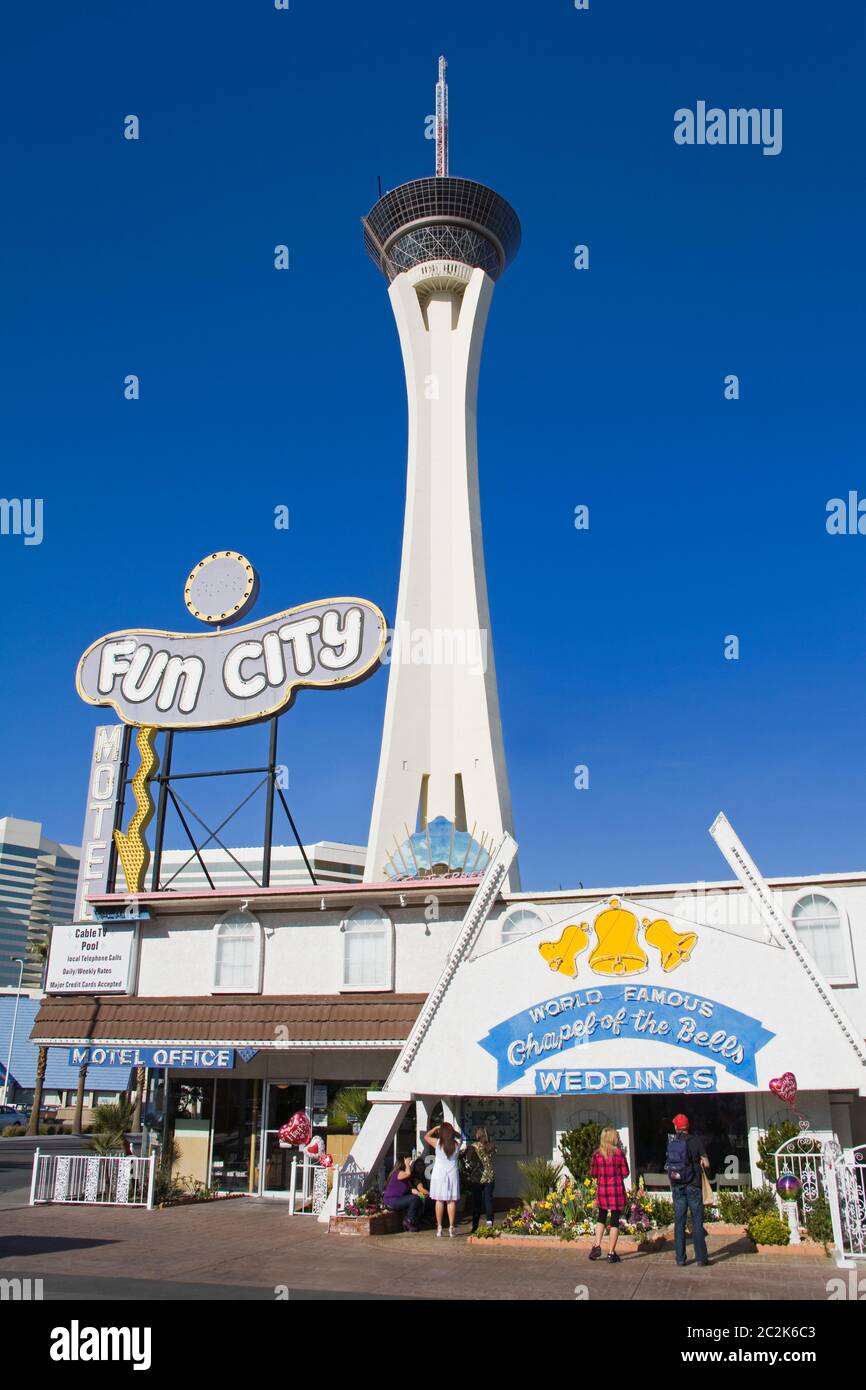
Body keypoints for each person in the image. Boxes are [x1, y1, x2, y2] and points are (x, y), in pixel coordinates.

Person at [665, 1112, 711, 1267]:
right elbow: (706, 1163)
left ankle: (680, 1258)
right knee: (697, 1222)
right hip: (694, 1184)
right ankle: (701, 1258)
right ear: (688, 1126)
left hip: (677, 1186)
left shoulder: (672, 1142)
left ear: (676, 1127)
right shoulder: (696, 1141)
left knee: (680, 1222)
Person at [588, 1126, 630, 1263]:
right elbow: (625, 1173)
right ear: (613, 1138)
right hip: (616, 1191)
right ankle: (611, 1253)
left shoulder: (596, 1154)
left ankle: (597, 1245)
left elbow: (593, 1173)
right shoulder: (619, 1154)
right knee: (614, 1221)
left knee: (601, 1217)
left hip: (602, 1190)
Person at [424, 1121, 466, 1238]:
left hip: (439, 1175)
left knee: (439, 1200)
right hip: (452, 1174)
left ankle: (439, 1228)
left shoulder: (437, 1143)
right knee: (451, 1201)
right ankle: (451, 1228)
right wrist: (452, 1132)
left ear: (441, 1133)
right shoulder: (457, 1144)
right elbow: (461, 1136)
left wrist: (436, 1128)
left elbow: (426, 1136)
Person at [465, 1126, 497, 1233]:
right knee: (488, 1200)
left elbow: (468, 1159)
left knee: (476, 1202)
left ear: (477, 1136)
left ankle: (475, 1225)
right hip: (490, 1176)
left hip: (477, 1178)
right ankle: (489, 1223)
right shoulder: (492, 1146)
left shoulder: (473, 1146)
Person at [383, 1153, 424, 1231]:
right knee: (414, 1199)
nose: (411, 1165)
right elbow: (408, 1173)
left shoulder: (405, 1177)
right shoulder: (398, 1173)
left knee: (419, 1199)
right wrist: (407, 1163)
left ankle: (413, 1221)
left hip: (398, 1200)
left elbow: (412, 1190)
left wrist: (422, 1195)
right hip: (391, 1201)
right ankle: (408, 1221)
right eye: (410, 1163)